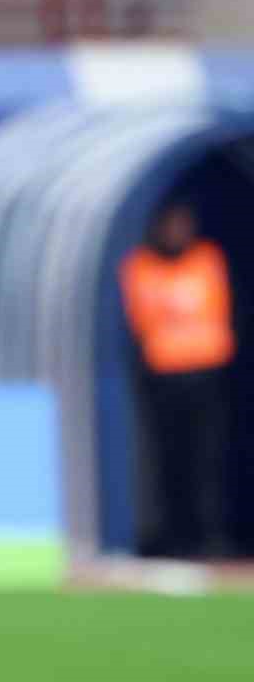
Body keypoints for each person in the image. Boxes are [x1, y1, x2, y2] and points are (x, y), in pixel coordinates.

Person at [121, 200, 237, 557]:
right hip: (165, 377)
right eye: (171, 224)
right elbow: (145, 319)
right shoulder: (140, 265)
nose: (178, 231)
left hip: (208, 374)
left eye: (183, 223)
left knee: (210, 461)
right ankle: (176, 537)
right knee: (171, 461)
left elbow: (217, 309)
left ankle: (213, 535)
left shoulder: (207, 258)